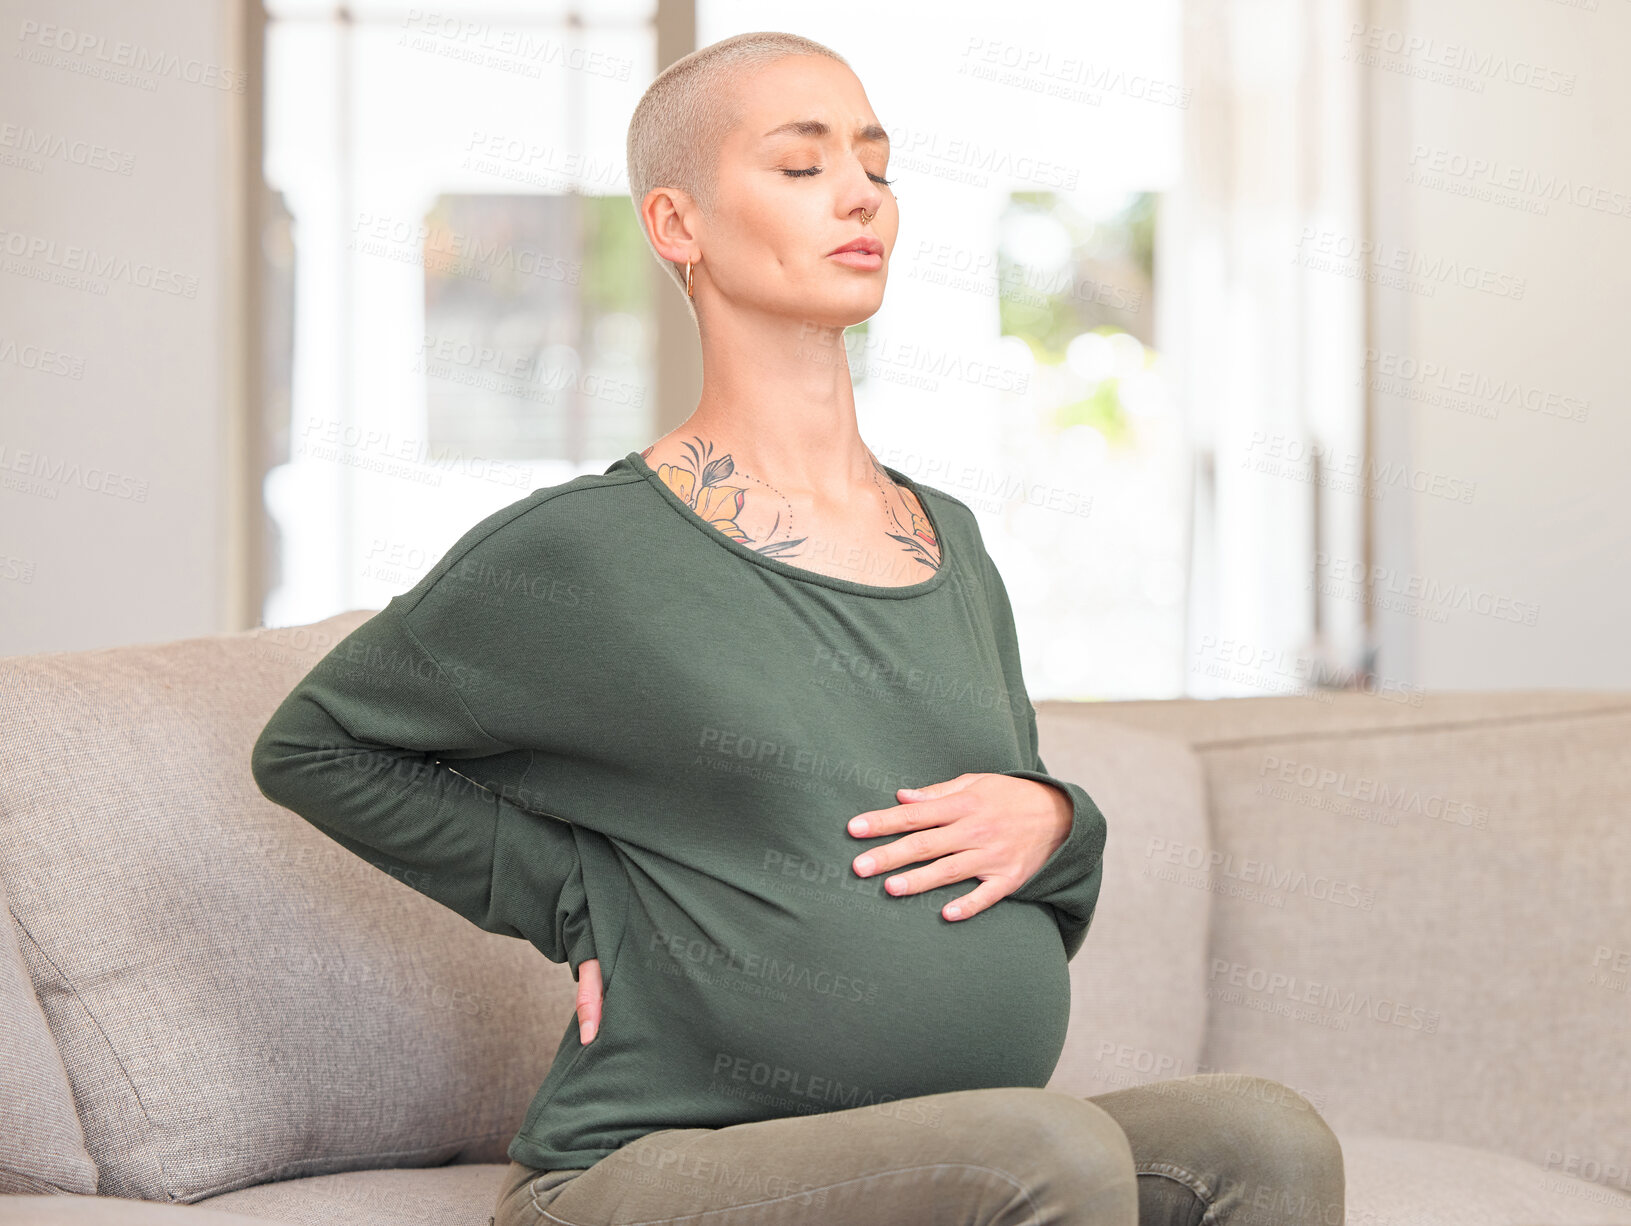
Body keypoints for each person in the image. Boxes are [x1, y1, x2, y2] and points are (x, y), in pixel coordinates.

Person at [252, 29, 1345, 1226]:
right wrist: (583, 900)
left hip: (940, 1146)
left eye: (874, 164)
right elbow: (316, 747)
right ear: (678, 226)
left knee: (1262, 1137)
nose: (858, 193)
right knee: (1048, 1152)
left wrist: (1055, 820)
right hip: (650, 1168)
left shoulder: (953, 542)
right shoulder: (585, 550)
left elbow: (1000, 819)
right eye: (799, 164)